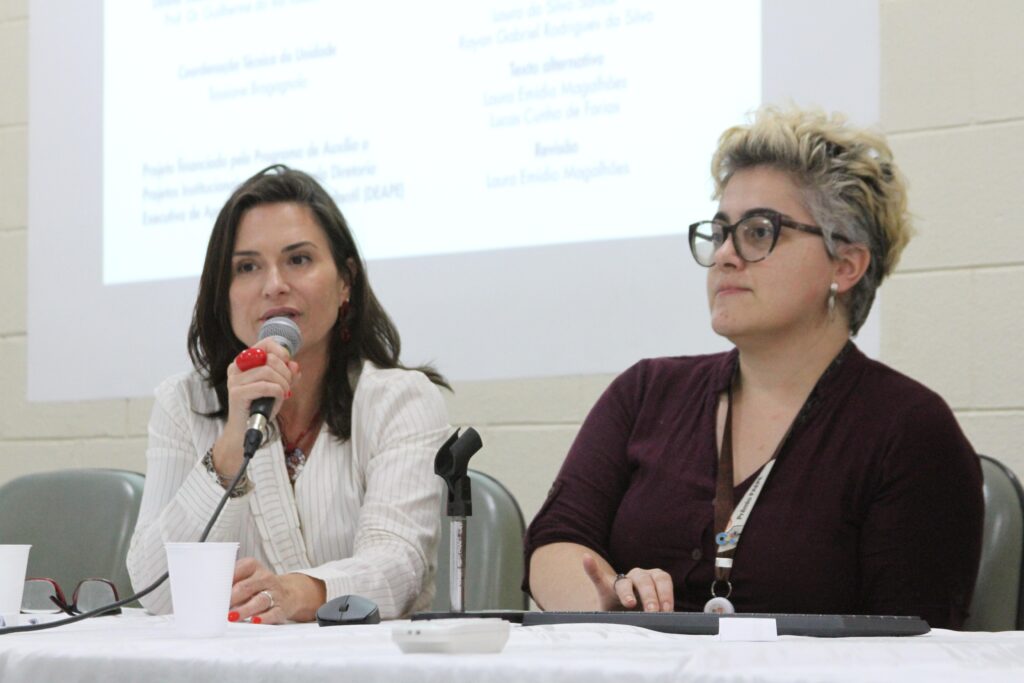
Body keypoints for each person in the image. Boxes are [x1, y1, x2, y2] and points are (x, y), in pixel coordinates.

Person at [524, 108, 984, 629]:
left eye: (758, 231)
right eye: (719, 232)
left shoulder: (909, 431)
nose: (724, 254)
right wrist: (603, 601)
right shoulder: (646, 391)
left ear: (845, 265)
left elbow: (915, 646)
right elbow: (556, 542)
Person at [127, 165, 450, 623]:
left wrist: (297, 593)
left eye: (298, 260)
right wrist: (231, 443)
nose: (273, 283)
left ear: (345, 282)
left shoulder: (400, 402)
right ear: (224, 293)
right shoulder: (184, 404)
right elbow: (153, 592)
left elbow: (399, 567)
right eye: (247, 267)